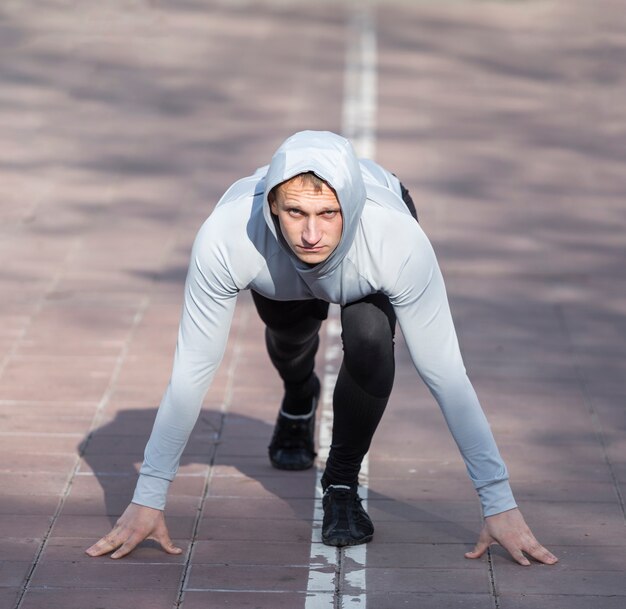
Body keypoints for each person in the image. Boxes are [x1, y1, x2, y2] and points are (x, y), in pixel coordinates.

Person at [86, 130, 558, 566]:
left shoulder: (395, 240)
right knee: (292, 337)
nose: (311, 235)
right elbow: (192, 370)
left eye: (327, 214)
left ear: (348, 208)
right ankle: (298, 397)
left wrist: (499, 503)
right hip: (279, 276)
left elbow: (446, 374)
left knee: (371, 339)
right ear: (273, 207)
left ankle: (341, 481)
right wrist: (148, 497)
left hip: (364, 266)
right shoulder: (229, 236)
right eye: (296, 213)